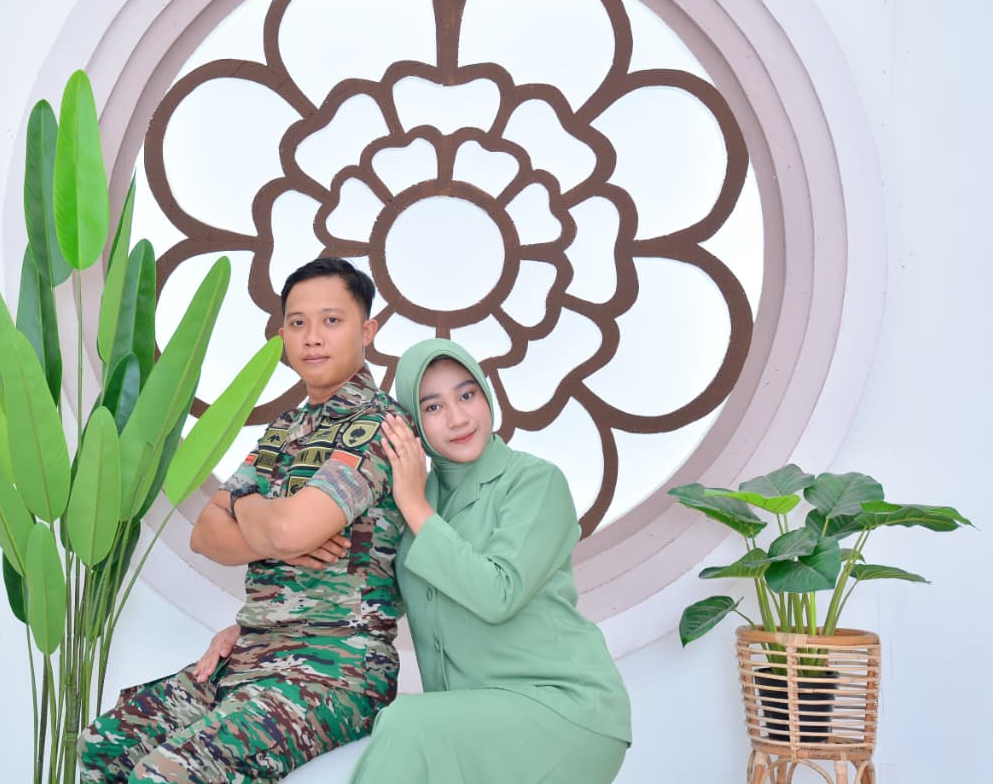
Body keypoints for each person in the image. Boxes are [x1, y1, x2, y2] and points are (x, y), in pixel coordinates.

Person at [79, 258, 413, 783]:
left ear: (366, 331)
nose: (312, 337)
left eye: (332, 320)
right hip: (251, 652)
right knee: (102, 746)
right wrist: (275, 536)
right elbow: (204, 535)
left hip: (333, 670)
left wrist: (248, 509)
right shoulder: (285, 429)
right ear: (282, 335)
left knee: (165, 774)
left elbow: (282, 529)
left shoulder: (377, 425)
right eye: (298, 322)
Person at [349, 338, 632, 783]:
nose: (458, 418)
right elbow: (363, 602)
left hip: (566, 708)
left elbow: (498, 593)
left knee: (407, 724)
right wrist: (255, 629)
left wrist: (414, 505)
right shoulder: (417, 502)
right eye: (433, 407)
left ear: (487, 394)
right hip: (474, 722)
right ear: (413, 423)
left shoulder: (534, 481)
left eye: (467, 395)